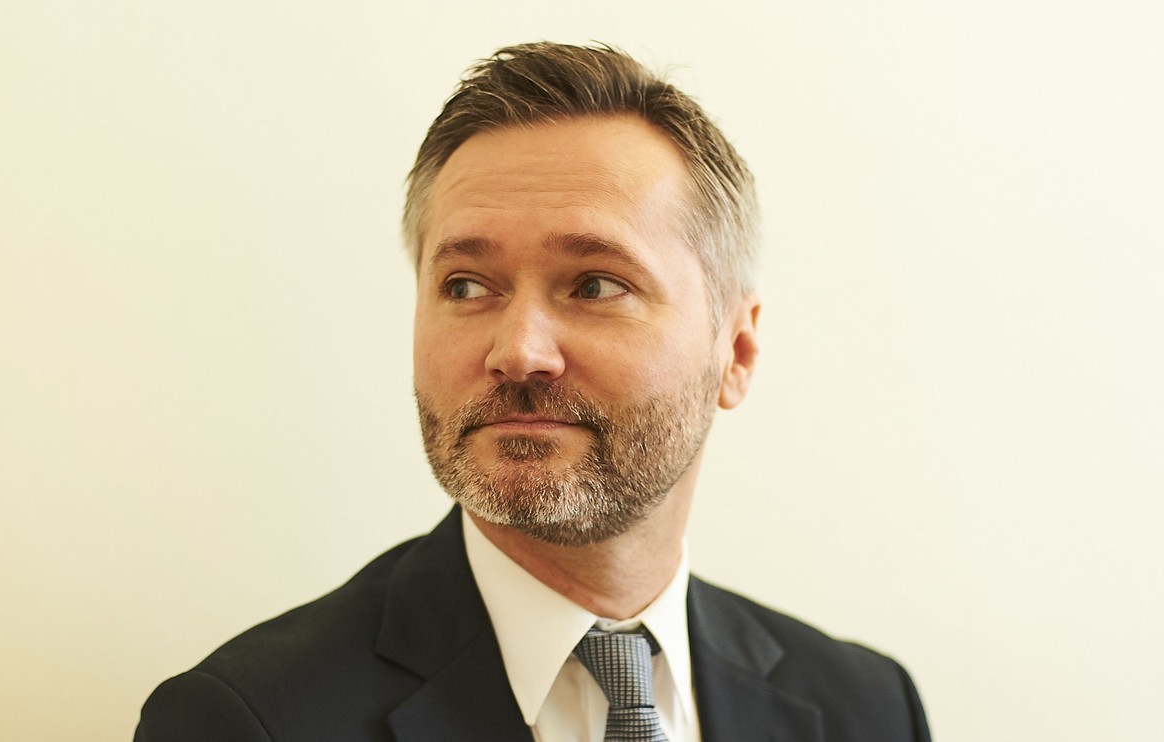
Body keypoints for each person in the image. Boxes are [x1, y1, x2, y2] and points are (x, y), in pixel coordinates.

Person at [135, 42, 932, 741]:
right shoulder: (249, 722)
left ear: (738, 351)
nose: (517, 352)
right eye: (465, 285)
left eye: (594, 284)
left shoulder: (867, 709)